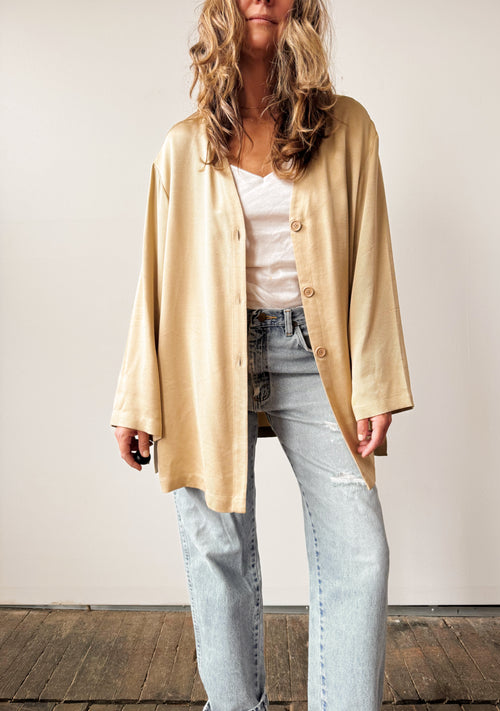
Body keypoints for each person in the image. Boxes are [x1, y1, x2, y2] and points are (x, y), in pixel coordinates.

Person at [111, 0, 414, 709]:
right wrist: (137, 398)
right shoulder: (182, 148)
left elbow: (371, 258)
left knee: (359, 551)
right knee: (215, 549)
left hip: (317, 355)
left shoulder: (348, 129)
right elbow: (156, 279)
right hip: (203, 360)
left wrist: (374, 379)